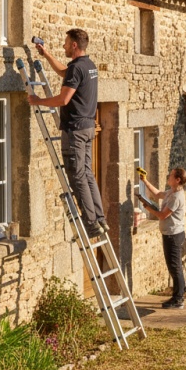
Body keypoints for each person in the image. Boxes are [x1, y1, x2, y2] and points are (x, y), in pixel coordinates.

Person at [27, 29, 109, 236]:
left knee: (78, 176)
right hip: (88, 127)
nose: (63, 45)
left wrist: (38, 101)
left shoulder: (77, 68)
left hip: (75, 130)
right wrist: (46, 54)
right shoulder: (88, 66)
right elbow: (65, 72)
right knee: (87, 174)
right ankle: (100, 219)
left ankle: (91, 223)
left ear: (74, 45)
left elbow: (63, 100)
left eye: (66, 42)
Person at [138, 167, 186, 309]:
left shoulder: (176, 197)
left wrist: (148, 208)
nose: (169, 176)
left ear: (177, 180)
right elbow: (157, 194)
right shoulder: (172, 192)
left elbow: (162, 215)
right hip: (170, 234)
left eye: (171, 175)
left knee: (174, 267)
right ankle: (180, 293)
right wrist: (145, 181)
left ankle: (178, 299)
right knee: (175, 266)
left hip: (173, 235)